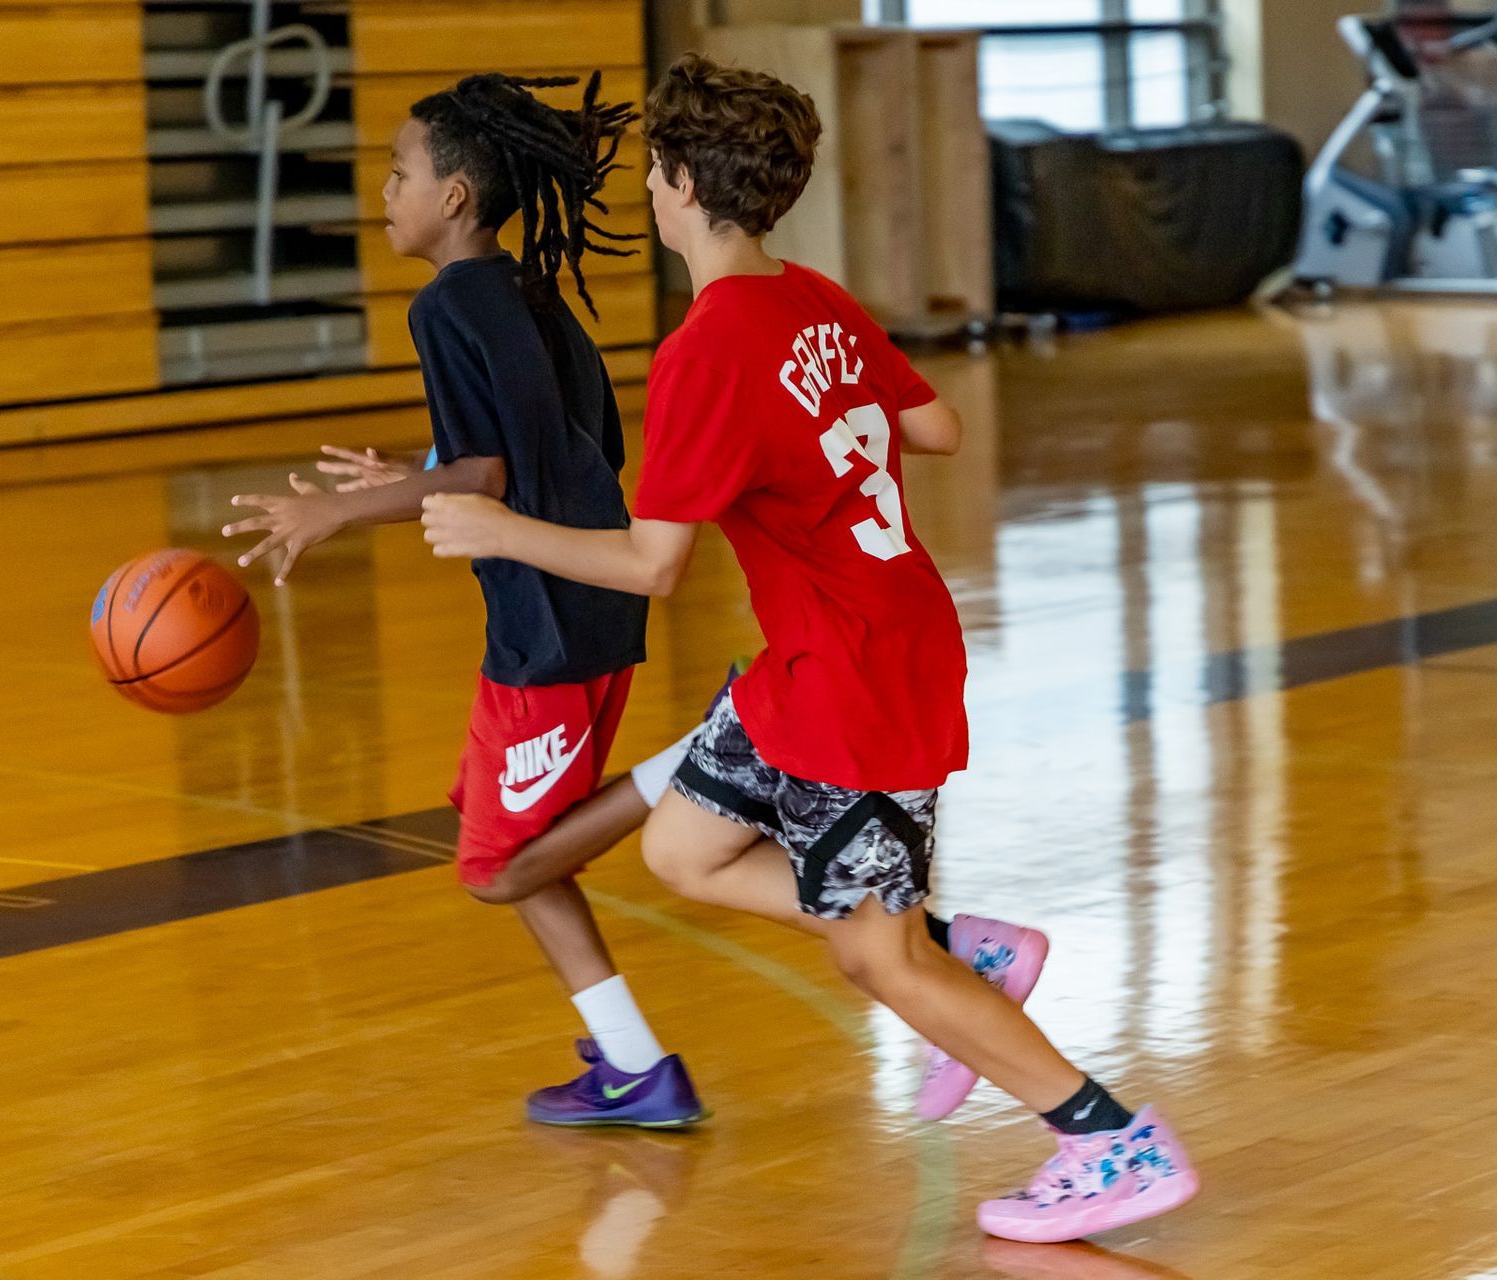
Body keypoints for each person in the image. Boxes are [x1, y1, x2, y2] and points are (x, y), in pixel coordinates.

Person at [419, 53, 1199, 1242]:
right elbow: (930, 424)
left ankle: (1106, 1136)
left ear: (677, 181)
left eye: (655, 171)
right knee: (684, 846)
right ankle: (965, 945)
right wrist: (827, 420)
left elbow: (653, 563)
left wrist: (493, 525)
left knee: (874, 957)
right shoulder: (812, 298)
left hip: (855, 677)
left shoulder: (708, 346)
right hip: (837, 648)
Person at [223, 71, 703, 1127]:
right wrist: (413, 466)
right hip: (576, 601)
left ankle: (699, 765)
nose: (383, 190)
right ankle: (636, 1064)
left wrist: (338, 513)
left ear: (453, 197)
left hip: (550, 622)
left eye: (399, 172)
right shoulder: (525, 289)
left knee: (497, 867)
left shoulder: (445, 303)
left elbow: (485, 475)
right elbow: (551, 444)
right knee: (501, 843)